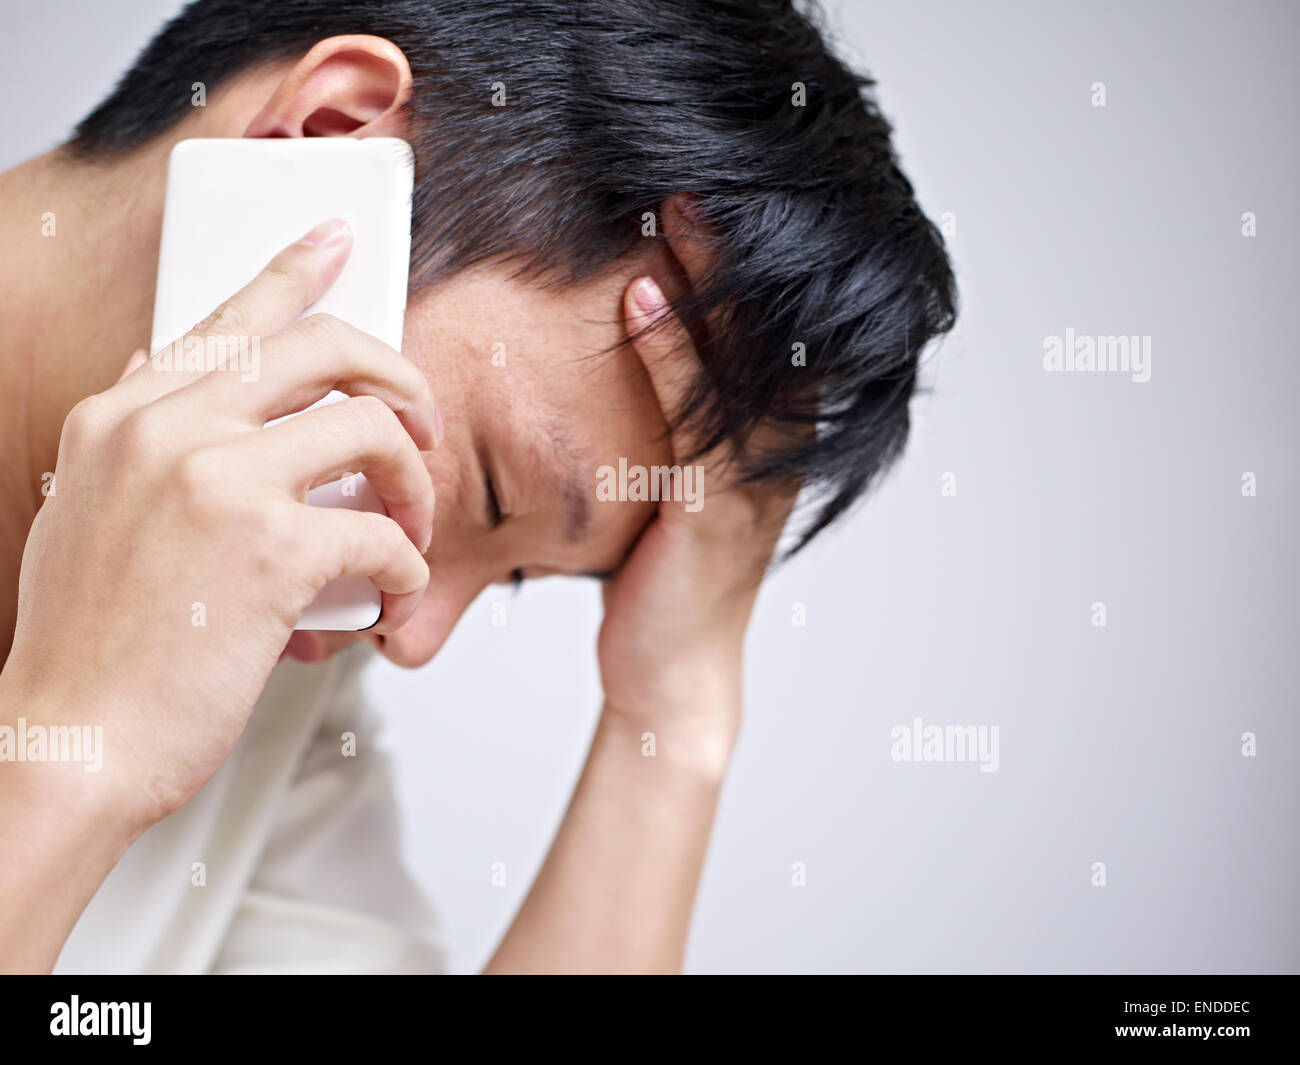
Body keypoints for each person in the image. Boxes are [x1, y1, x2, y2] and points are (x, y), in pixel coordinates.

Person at [0, 0, 956, 973]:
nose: (410, 635)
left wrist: (670, 716)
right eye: (494, 494)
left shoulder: (256, 689)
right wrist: (79, 762)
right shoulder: (184, 672)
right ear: (328, 138)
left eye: (507, 578)